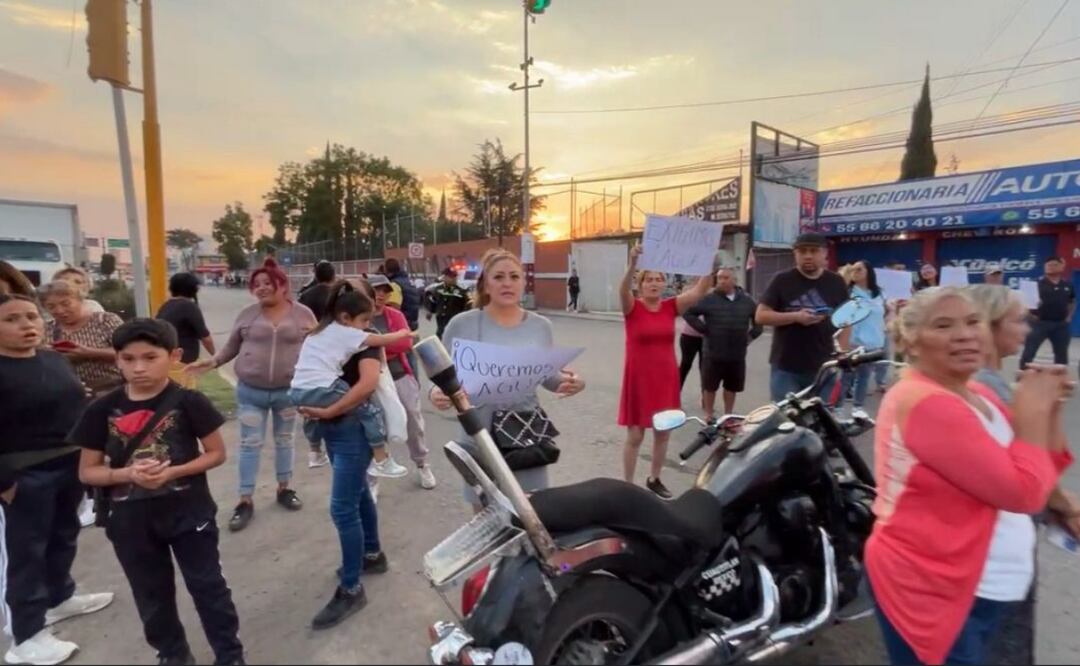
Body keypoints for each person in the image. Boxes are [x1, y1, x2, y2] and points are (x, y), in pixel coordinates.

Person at [866, 286, 1073, 665]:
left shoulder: (978, 392)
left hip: (987, 582)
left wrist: (1050, 409)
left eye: (973, 322)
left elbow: (1045, 470)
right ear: (911, 343)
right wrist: (1031, 413)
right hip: (935, 585)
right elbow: (1023, 493)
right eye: (943, 325)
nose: (965, 334)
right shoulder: (925, 401)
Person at [72, 319, 244, 666]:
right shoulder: (101, 410)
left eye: (150, 357)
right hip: (129, 520)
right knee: (151, 595)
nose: (139, 368)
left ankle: (229, 655)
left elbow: (216, 453)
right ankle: (173, 655)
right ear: (116, 359)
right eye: (129, 358)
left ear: (174, 356)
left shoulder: (189, 401)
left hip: (189, 513)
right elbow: (87, 470)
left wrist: (174, 471)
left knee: (209, 588)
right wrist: (128, 474)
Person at [967, 285, 1080, 666]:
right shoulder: (982, 388)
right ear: (988, 326)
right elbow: (1026, 473)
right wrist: (1066, 507)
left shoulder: (996, 382)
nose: (1028, 328)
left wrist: (1048, 406)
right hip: (997, 545)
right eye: (1019, 319)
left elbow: (1044, 459)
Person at [0, 293, 114, 666]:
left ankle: (60, 597)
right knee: (26, 554)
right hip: (24, 475)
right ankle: (26, 636)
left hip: (70, 464)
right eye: (12, 319)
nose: (26, 325)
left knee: (63, 535)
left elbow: (75, 406)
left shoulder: (52, 358)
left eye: (31, 316)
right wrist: (5, 481)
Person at [431, 249, 586, 505]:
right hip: (478, 433)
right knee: (487, 515)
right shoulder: (462, 324)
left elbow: (545, 375)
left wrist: (568, 382)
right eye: (499, 276)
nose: (507, 283)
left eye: (514, 276)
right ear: (485, 284)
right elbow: (439, 375)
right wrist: (434, 393)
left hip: (524, 433)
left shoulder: (540, 326)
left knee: (532, 511)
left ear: (523, 283)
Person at [187, 258, 315, 532]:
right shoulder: (247, 314)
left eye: (268, 283)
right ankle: (245, 500)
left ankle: (285, 488)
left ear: (283, 286)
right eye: (256, 285)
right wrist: (211, 363)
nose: (261, 288)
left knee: (284, 440)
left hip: (287, 393)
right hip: (251, 393)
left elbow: (316, 350)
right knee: (249, 444)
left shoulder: (303, 314)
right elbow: (231, 347)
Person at [294, 286, 390, 630]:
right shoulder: (325, 337)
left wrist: (329, 410)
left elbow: (366, 385)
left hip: (351, 428)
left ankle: (351, 588)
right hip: (333, 427)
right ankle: (372, 554)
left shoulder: (367, 337)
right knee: (359, 492)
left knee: (342, 507)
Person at [290, 279, 413, 494]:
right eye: (365, 320)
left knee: (311, 414)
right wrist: (404, 333)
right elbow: (380, 345)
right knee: (369, 410)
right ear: (346, 316)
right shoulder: (349, 332)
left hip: (297, 389)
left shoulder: (318, 331)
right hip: (325, 388)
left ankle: (314, 451)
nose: (367, 325)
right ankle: (382, 458)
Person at [619, 245, 710, 498]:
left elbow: (700, 291)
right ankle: (627, 485)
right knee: (636, 435)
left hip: (665, 377)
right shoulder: (632, 307)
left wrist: (707, 265)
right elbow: (622, 289)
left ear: (664, 284)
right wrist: (632, 263)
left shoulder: (671, 306)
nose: (654, 283)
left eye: (659, 279)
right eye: (649, 279)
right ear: (641, 284)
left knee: (663, 432)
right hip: (639, 379)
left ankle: (654, 478)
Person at [756, 233, 850, 402]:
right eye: (802, 251)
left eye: (813, 251)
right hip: (786, 367)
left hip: (824, 366)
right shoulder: (782, 280)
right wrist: (795, 317)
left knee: (823, 422)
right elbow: (761, 316)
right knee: (788, 422)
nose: (808, 256)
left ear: (824, 253)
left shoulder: (836, 282)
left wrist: (842, 353)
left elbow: (847, 320)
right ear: (795, 254)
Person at [367, 275, 436, 491]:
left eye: (384, 291)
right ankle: (374, 475)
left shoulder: (395, 315)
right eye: (376, 290)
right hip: (368, 381)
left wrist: (375, 345)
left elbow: (405, 343)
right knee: (373, 428)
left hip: (398, 375)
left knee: (412, 422)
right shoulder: (359, 317)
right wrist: (389, 341)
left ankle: (422, 463)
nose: (380, 295)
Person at [683, 267, 762, 421]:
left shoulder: (747, 301)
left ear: (734, 280)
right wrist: (703, 330)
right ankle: (708, 414)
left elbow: (758, 322)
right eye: (719, 278)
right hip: (713, 352)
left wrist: (750, 337)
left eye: (726, 277)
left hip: (736, 354)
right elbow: (688, 313)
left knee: (731, 387)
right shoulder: (709, 299)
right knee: (709, 386)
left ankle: (728, 415)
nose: (722, 281)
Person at [41, 280, 124, 396]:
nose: (59, 310)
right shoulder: (46, 329)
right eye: (51, 306)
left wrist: (88, 353)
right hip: (68, 393)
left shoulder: (105, 320)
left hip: (109, 390)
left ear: (80, 300)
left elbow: (128, 352)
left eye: (65, 304)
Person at [841, 260, 887, 414]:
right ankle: (837, 409)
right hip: (853, 342)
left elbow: (884, 315)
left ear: (869, 271)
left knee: (864, 377)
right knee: (846, 378)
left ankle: (858, 408)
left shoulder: (879, 294)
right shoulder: (848, 293)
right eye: (853, 269)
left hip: (873, 342)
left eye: (859, 269)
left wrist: (894, 309)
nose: (855, 272)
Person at [156, 272, 215, 389]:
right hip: (182, 363)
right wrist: (216, 357)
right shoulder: (189, 306)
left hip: (167, 360)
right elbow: (205, 337)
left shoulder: (166, 305)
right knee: (184, 398)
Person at [1020, 256, 1075, 369]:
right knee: (1029, 353)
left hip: (1060, 325)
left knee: (1061, 356)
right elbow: (1024, 304)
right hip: (1040, 323)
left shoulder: (1067, 285)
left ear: (1061, 267)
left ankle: (1059, 381)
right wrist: (1031, 315)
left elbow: (1072, 301)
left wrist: (1069, 316)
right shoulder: (1036, 284)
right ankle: (1022, 376)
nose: (1050, 267)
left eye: (1054, 265)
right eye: (1048, 265)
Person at [427, 268, 471, 339]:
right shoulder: (438, 288)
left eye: (454, 277)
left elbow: (467, 304)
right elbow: (434, 300)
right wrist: (430, 311)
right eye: (450, 277)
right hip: (441, 316)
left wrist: (465, 317)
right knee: (440, 334)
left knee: (453, 336)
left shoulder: (461, 290)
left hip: (454, 317)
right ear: (444, 277)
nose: (453, 279)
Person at [676, 316, 704, 391]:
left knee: (705, 369)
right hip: (689, 335)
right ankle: (673, 396)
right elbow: (686, 312)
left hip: (707, 337)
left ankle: (706, 401)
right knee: (685, 365)